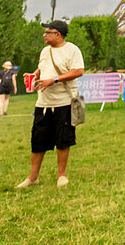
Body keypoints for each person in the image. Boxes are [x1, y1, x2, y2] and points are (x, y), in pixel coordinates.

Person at [16, 21, 84, 189]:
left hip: (64, 103)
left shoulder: (72, 50)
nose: (44, 35)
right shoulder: (45, 51)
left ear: (58, 34)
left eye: (48, 32)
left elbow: (78, 71)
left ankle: (61, 175)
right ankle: (33, 177)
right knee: (37, 140)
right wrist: (33, 75)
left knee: (63, 140)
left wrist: (54, 80)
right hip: (43, 103)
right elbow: (42, 68)